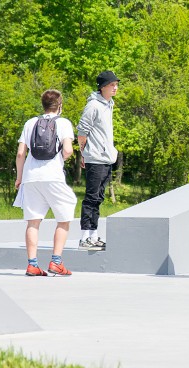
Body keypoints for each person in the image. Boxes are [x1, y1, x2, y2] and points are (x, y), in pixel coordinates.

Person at [14, 89, 76, 276]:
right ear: (60, 106)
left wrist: (19, 178)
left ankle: (32, 264)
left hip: (31, 177)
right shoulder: (63, 123)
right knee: (64, 219)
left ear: (43, 105)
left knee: (33, 222)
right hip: (53, 176)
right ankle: (56, 262)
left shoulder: (30, 123)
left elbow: (20, 153)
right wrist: (62, 159)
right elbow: (68, 151)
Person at [77, 70, 120, 251]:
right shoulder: (93, 105)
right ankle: (84, 238)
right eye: (112, 85)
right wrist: (84, 153)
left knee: (98, 198)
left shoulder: (108, 104)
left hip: (106, 158)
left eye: (116, 85)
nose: (115, 88)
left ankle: (93, 236)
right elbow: (82, 131)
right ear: (102, 87)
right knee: (91, 198)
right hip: (95, 158)